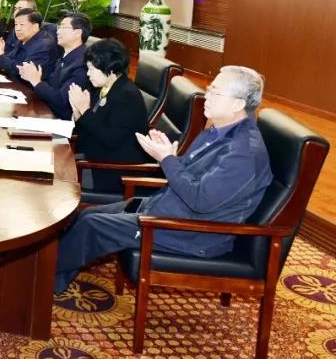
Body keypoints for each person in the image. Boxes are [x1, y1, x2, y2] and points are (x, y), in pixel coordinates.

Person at [54, 65, 274, 295]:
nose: (206, 95)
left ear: (238, 104)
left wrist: (167, 159)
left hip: (192, 232)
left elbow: (200, 200)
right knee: (88, 215)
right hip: (169, 209)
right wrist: (169, 155)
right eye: (209, 88)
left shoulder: (243, 154)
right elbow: (192, 177)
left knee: (92, 226)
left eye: (215, 92)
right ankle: (53, 279)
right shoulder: (218, 131)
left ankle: (42, 279)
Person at [66, 38, 150, 192]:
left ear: (110, 69)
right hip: (96, 158)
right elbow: (91, 131)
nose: (88, 74)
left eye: (91, 69)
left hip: (115, 173)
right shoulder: (104, 88)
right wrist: (78, 114)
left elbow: (110, 139)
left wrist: (85, 111)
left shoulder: (127, 96)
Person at [19, 12, 91, 120]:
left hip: (60, 120)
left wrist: (36, 82)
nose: (58, 31)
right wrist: (32, 77)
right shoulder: (65, 56)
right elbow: (51, 86)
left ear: (77, 33)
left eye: (63, 27)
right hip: (45, 111)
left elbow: (62, 100)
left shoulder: (83, 63)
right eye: (59, 27)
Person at [0, 7, 58, 79]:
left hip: (30, 86)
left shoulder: (43, 45)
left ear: (35, 27)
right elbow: (12, 59)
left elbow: (24, 70)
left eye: (22, 25)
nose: (17, 29)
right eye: (16, 24)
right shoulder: (24, 38)